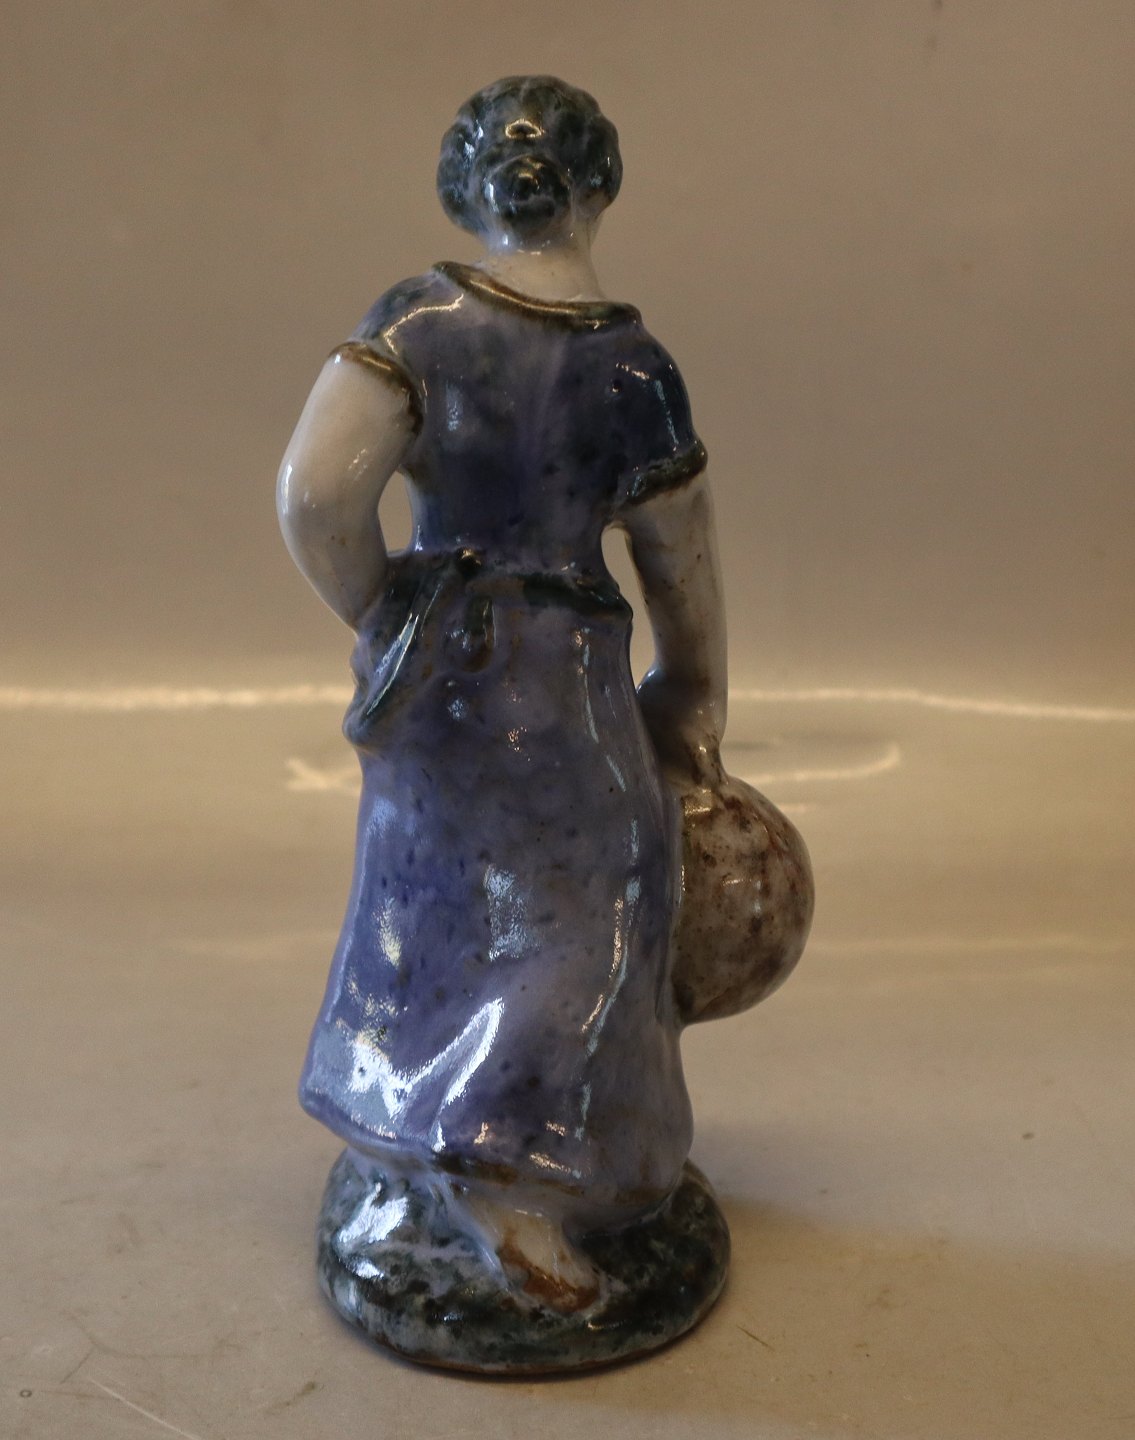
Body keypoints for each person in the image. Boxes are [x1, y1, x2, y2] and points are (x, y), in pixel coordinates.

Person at [278, 76, 728, 1315]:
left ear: (463, 190)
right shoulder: (633, 367)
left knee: (422, 897)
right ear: (599, 185)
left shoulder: (416, 322)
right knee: (597, 902)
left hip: (440, 664)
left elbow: (315, 496)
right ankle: (514, 1182)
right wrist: (690, 694)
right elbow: (678, 557)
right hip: (564, 672)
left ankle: (410, 1144)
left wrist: (387, 615)